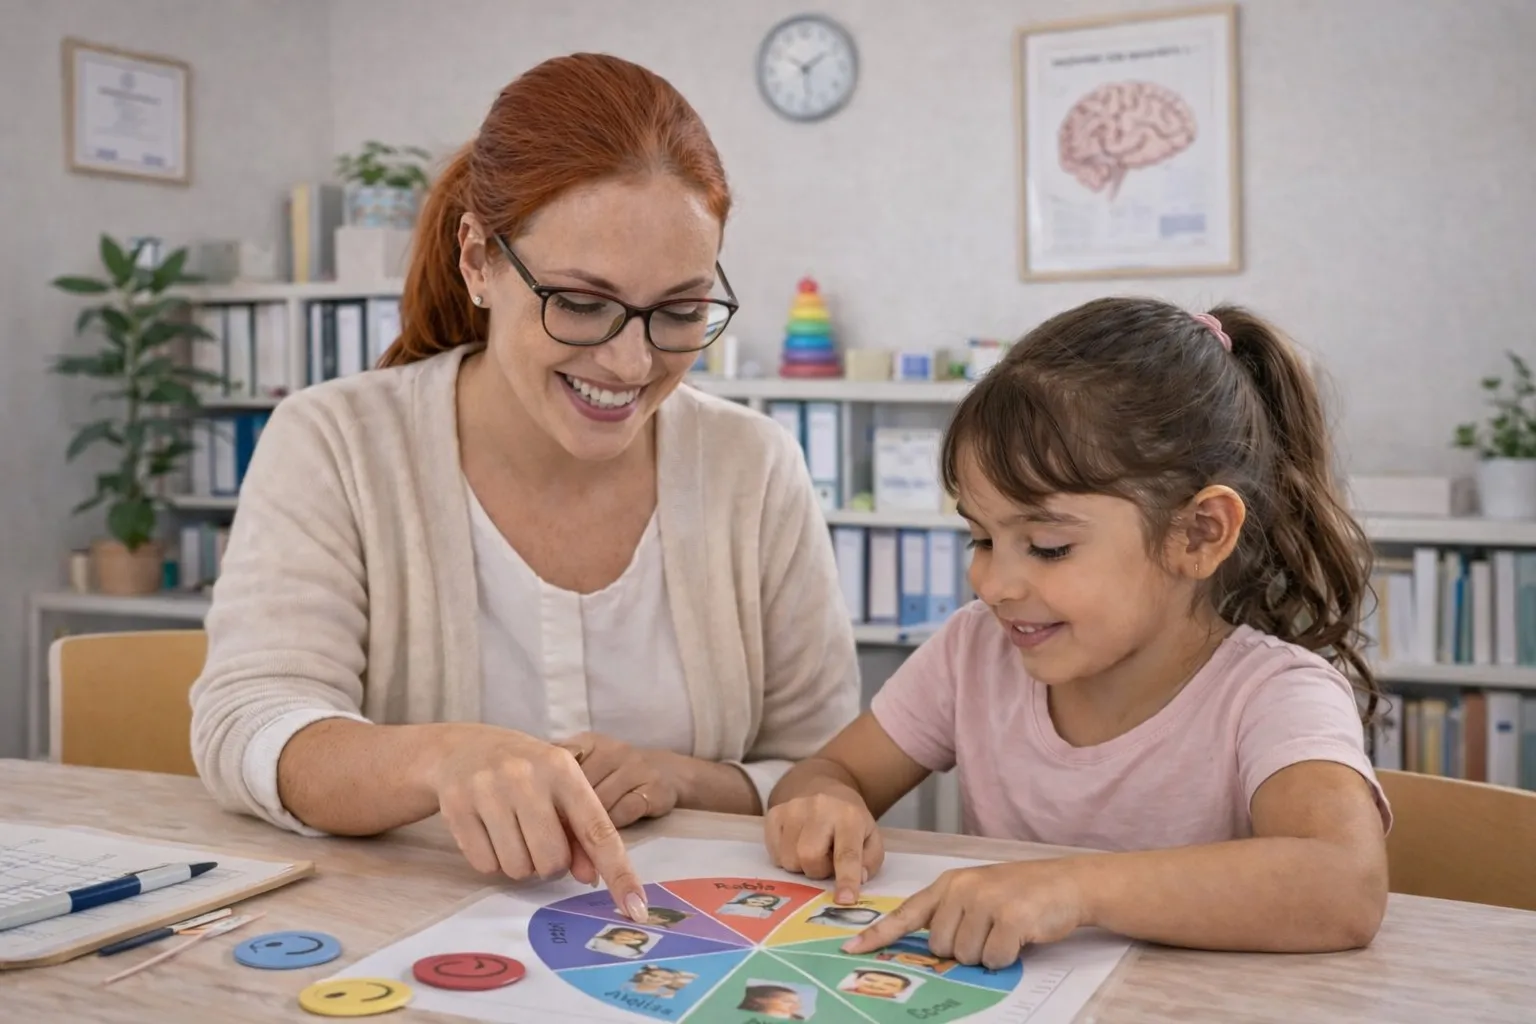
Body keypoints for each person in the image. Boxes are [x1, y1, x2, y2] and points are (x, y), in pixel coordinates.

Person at [188, 52, 859, 925]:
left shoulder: (753, 465)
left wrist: (685, 780)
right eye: (581, 303)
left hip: (681, 958)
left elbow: (827, 766)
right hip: (396, 953)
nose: (631, 362)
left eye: (682, 310)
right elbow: (248, 726)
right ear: (478, 261)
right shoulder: (338, 442)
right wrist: (438, 761)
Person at [763, 298, 1393, 967]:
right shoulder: (972, 652)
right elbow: (825, 772)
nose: (993, 584)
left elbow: (1343, 887)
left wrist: (1075, 888)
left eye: (1047, 546)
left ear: (1199, 533)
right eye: (980, 537)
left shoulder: (1274, 694)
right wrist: (823, 803)